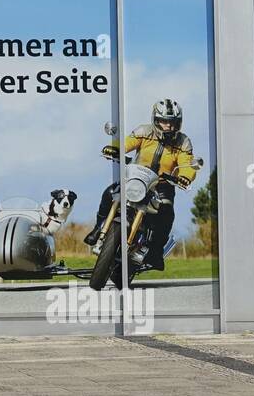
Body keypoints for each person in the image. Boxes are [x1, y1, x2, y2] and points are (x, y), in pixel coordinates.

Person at [83, 99, 197, 270]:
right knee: (109, 193)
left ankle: (155, 252)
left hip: (162, 185)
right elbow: (127, 143)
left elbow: (186, 164)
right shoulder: (144, 131)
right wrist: (114, 148)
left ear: (178, 123)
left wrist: (185, 176)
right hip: (137, 178)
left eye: (171, 122)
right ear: (155, 120)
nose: (167, 126)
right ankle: (98, 228)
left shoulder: (183, 142)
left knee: (166, 212)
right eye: (163, 121)